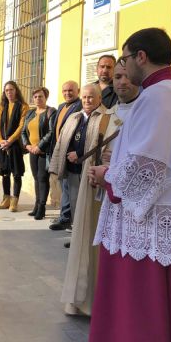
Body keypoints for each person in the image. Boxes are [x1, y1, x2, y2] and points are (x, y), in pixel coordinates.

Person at [85, 28, 171, 342]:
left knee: (139, 313)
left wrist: (109, 177)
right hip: (154, 220)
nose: (124, 65)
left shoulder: (160, 96)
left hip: (147, 225)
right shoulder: (170, 91)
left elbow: (148, 165)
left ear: (141, 57)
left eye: (126, 58)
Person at [60, 65, 140, 316]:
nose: (122, 82)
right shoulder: (110, 115)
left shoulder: (145, 111)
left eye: (127, 76)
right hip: (101, 191)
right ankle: (92, 301)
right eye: (117, 77)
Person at [48, 84, 105, 240]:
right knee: (75, 207)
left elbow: (101, 144)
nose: (87, 100)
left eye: (91, 97)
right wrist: (56, 166)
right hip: (72, 170)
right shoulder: (75, 117)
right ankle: (76, 241)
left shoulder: (105, 118)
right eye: (85, 97)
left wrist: (79, 154)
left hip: (90, 172)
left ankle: (88, 241)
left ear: (99, 98)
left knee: (89, 209)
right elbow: (62, 142)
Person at [48, 81, 82, 230]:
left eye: (71, 90)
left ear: (78, 91)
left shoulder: (80, 106)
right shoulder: (61, 107)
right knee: (64, 187)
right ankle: (65, 217)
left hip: (71, 154)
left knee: (71, 189)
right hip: (59, 151)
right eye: (65, 91)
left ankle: (69, 219)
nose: (67, 93)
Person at [21, 87, 56, 220]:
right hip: (32, 151)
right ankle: (36, 205)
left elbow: (51, 132)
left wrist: (39, 146)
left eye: (40, 96)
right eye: (35, 97)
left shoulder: (51, 112)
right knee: (36, 178)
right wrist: (27, 145)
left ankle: (42, 207)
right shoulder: (30, 113)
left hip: (43, 152)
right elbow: (24, 131)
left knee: (42, 178)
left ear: (46, 97)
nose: (37, 99)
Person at [0, 81, 28, 211]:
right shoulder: (2, 105)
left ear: (16, 90)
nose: (9, 92)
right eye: (7, 90)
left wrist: (10, 140)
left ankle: (15, 200)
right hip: (2, 145)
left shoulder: (23, 106)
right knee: (5, 173)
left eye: (12, 89)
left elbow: (21, 126)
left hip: (14, 145)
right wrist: (0, 140)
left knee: (16, 174)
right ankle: (6, 198)